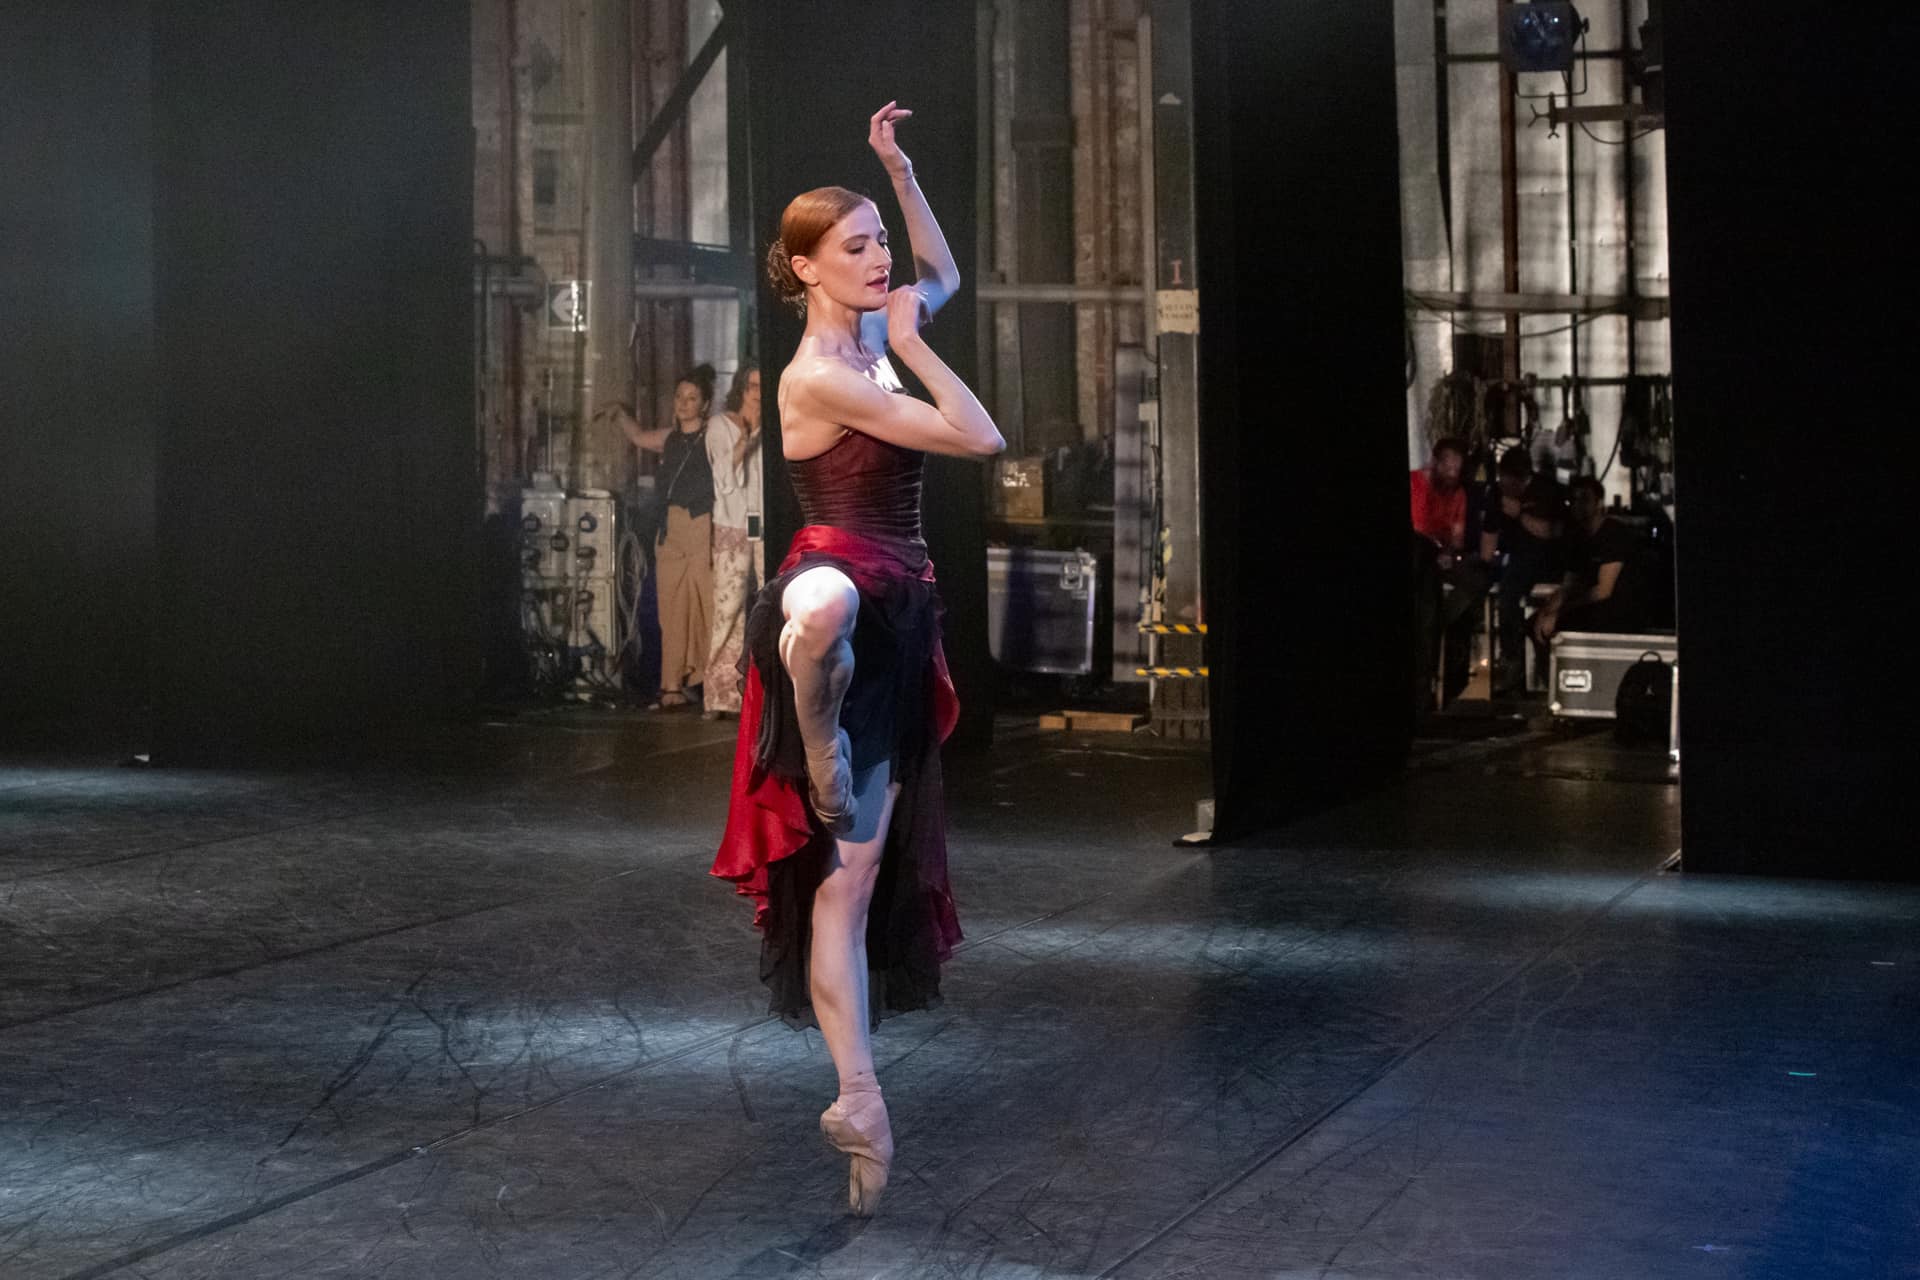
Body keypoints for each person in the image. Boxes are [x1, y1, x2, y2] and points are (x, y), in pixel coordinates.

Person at [710, 101, 1003, 1217]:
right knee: (820, 599)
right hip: (841, 577)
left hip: (904, 618)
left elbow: (946, 266)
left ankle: (863, 1096)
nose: (884, 258)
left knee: (852, 886)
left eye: (880, 238)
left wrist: (900, 166)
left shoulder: (878, 328)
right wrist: (918, 346)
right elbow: (979, 438)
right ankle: (808, 690)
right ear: (805, 271)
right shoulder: (818, 375)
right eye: (859, 245)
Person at [602, 366, 718, 710]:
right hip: (671, 529)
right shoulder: (670, 438)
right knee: (671, 609)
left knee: (704, 607)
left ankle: (709, 680)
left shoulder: (713, 436)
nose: (683, 403)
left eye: (692, 398)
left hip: (702, 526)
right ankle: (671, 686)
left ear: (705, 404)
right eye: (680, 397)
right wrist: (621, 415)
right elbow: (638, 437)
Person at [1409, 436, 1489, 709]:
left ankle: (1442, 620)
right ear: (1436, 463)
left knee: (1477, 576)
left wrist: (1449, 553)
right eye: (1449, 468)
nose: (1454, 474)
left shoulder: (1458, 494)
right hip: (1419, 553)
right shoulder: (1415, 484)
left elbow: (1456, 537)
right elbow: (1418, 528)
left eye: (1459, 469)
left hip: (1440, 555)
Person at [1478, 447, 1565, 694]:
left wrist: (1520, 514)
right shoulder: (1497, 493)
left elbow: (1550, 531)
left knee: (1511, 590)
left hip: (1547, 558)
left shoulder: (1546, 490)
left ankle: (1514, 659)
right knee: (1504, 589)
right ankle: (1508, 656)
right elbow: (1490, 532)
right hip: (1515, 558)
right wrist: (1485, 562)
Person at [704, 363, 762, 719]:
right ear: (741, 388)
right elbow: (722, 478)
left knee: (774, 603)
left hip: (766, 523)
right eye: (751, 385)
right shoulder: (719, 426)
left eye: (761, 386)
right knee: (728, 610)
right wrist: (746, 437)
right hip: (732, 524)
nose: (756, 393)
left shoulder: (777, 424)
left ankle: (767, 692)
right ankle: (720, 695)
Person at [1532, 476, 1650, 641]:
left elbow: (1604, 590)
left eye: (1585, 499)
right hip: (1593, 608)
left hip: (1619, 611)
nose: (1578, 505)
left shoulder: (1614, 533)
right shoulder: (1579, 537)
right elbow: (1569, 584)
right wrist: (1547, 611)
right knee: (1534, 623)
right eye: (1574, 499)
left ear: (1599, 503)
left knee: (1563, 623)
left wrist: (1561, 612)